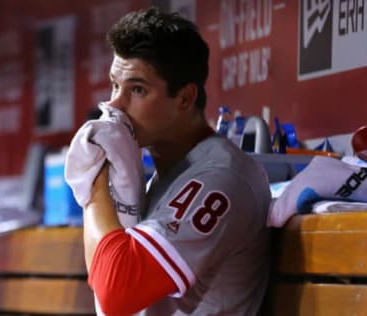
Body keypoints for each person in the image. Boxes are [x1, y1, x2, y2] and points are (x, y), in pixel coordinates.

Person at [83, 6, 271, 315]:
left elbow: (114, 293)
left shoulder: (220, 177)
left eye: (137, 89)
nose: (114, 105)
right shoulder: (169, 169)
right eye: (115, 86)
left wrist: (93, 177)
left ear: (184, 98)